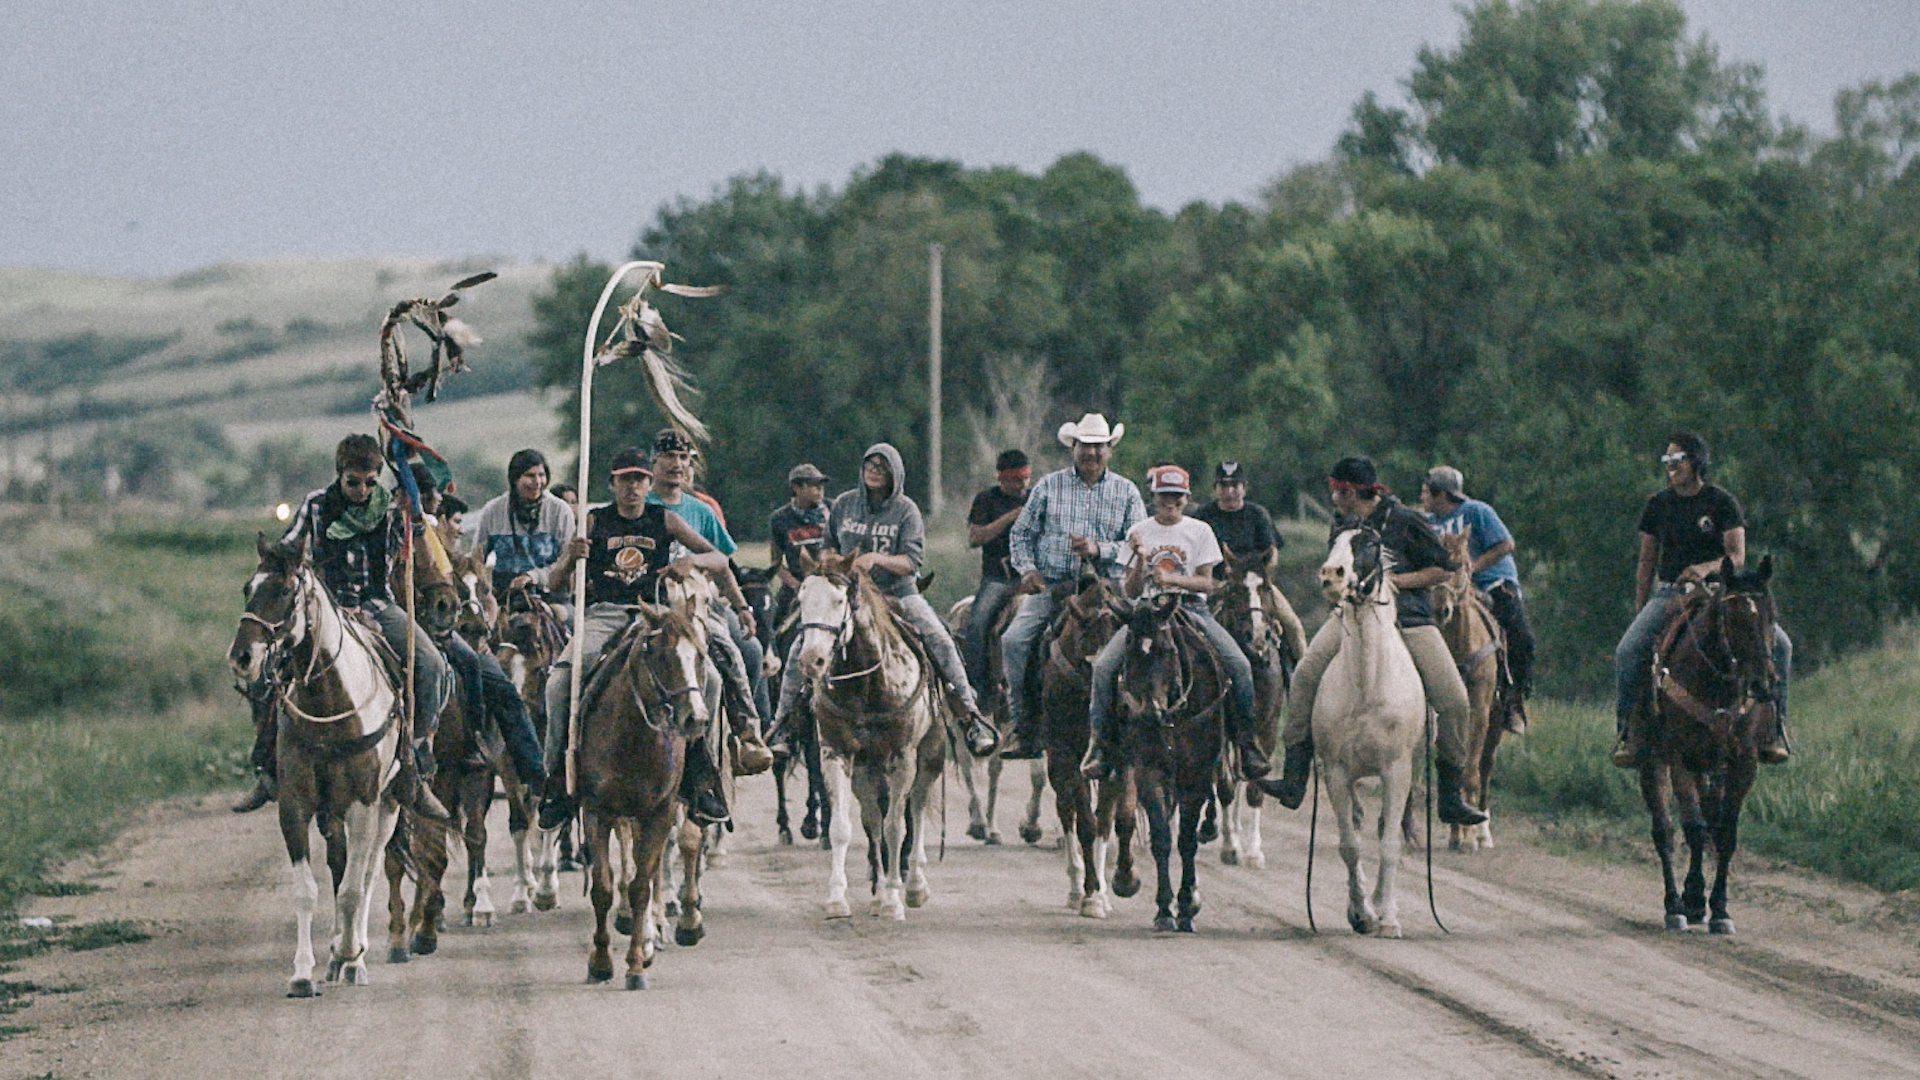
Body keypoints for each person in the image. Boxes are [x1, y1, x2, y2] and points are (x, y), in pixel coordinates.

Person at [537, 448, 768, 830]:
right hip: (605, 612)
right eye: (625, 479)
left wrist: (691, 562)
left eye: (639, 479)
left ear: (648, 484)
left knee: (707, 678)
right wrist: (569, 558)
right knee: (560, 681)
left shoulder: (666, 520)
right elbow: (558, 583)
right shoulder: (593, 523)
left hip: (657, 614)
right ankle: (557, 780)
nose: (633, 487)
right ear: (612, 484)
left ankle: (700, 774)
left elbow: (720, 560)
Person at [237, 434, 450, 820]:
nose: (362, 489)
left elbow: (415, 551)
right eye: (354, 481)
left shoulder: (389, 508)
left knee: (433, 666)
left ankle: (415, 759)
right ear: (339, 475)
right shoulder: (317, 505)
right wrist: (274, 567)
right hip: (325, 608)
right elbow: (290, 547)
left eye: (370, 481)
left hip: (378, 604)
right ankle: (268, 767)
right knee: (269, 673)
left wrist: (415, 519)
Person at [1268, 456, 1489, 827]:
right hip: (1354, 618)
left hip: (1409, 619)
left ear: (1352, 492)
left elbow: (1442, 569)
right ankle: (1295, 774)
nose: (1334, 499)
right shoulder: (1342, 523)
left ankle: (1450, 793)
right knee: (1305, 673)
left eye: (1338, 492)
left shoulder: (1406, 520)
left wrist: (1395, 582)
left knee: (1454, 699)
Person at [773, 443, 1000, 758]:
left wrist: (876, 559)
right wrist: (836, 562)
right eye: (870, 465)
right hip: (849, 594)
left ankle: (969, 714)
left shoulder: (906, 510)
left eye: (882, 466)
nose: (874, 471)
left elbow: (911, 562)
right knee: (802, 644)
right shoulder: (844, 504)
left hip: (898, 592)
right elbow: (826, 547)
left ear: (895, 472)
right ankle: (782, 721)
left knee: (940, 638)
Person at [1079, 464, 1272, 784]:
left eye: (1177, 497)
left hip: (1192, 609)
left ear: (1186, 498)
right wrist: (1141, 559)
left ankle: (1247, 743)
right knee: (1103, 667)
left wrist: (1171, 578)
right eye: (1164, 496)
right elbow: (1129, 590)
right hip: (1146, 612)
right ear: (1153, 497)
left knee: (1239, 664)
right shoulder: (1138, 531)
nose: (1170, 503)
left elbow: (1207, 583)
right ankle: (1099, 744)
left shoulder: (1199, 530)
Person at [1611, 432, 1792, 767]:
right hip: (1670, 593)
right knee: (1627, 651)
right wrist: (1641, 608)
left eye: (1676, 460)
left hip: (1718, 593)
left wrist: (1703, 569)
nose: (1670, 467)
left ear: (1695, 461)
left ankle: (1774, 729)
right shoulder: (1657, 506)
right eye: (1666, 462)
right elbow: (1647, 562)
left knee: (1781, 646)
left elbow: (1736, 556)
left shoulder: (1721, 502)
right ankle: (1629, 733)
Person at [997, 413, 1146, 759]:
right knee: (1014, 640)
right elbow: (1021, 534)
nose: (1091, 453)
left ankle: (1150, 715)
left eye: (1098, 447)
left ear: (1109, 450)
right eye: (1085, 446)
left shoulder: (1126, 491)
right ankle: (1024, 725)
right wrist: (1028, 570)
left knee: (1151, 638)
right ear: (1073, 448)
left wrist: (1099, 548)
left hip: (1110, 586)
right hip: (1055, 586)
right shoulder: (1048, 487)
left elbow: (1138, 542)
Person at [404, 462, 548, 801]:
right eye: (432, 498)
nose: (437, 504)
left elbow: (473, 594)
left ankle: (532, 772)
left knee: (503, 688)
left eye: (437, 497)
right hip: (415, 625)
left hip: (451, 632)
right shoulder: (407, 531)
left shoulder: (449, 550)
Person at [648, 429, 772, 730]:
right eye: (668, 457)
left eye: (682, 457)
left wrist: (742, 607)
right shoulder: (644, 505)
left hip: (701, 602)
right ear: (653, 462)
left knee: (751, 651)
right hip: (655, 603)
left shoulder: (701, 512)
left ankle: (746, 729)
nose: (676, 464)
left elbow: (723, 563)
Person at [1420, 465, 1536, 730]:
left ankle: (1513, 700)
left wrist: (1472, 567)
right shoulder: (1428, 523)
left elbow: (1506, 544)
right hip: (1444, 590)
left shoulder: (1477, 511)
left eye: (1427, 493)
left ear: (1442, 494)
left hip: (1490, 583)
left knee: (1522, 638)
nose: (1422, 498)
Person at [961, 449, 1031, 701]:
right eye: (1015, 479)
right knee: (978, 621)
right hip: (998, 577)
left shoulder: (1036, 498)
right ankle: (977, 686)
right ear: (1002, 478)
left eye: (1025, 478)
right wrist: (1010, 518)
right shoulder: (986, 500)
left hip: (1031, 575)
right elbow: (974, 537)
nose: (1022, 484)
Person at [462, 449, 575, 603]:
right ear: (515, 478)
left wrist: (532, 577)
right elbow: (477, 557)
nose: (537, 482)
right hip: (504, 597)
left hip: (550, 596)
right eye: (530, 476)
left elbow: (566, 560)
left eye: (541, 475)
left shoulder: (560, 511)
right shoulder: (492, 511)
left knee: (568, 621)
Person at [767, 462, 831, 634]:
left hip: (831, 580)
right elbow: (776, 563)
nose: (819, 490)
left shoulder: (833, 511)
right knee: (776, 623)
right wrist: (796, 585)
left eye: (821, 485)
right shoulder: (780, 519)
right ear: (796, 487)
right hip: (798, 582)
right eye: (813, 485)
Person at [1188, 461, 1282, 572]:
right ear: (1215, 488)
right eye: (1223, 486)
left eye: (1235, 485)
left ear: (1244, 488)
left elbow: (1271, 550)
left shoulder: (1258, 514)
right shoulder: (1202, 515)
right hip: (1213, 580)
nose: (1229, 492)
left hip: (1253, 578)